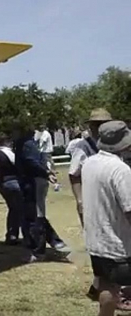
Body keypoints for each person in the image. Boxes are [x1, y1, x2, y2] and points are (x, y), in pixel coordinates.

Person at [81, 120, 131, 316]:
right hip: (119, 243)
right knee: (113, 286)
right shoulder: (121, 170)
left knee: (107, 285)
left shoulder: (89, 163)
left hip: (97, 240)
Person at [68, 109, 113, 301]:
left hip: (110, 200)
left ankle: (101, 285)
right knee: (97, 243)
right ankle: (99, 285)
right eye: (97, 124)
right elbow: (73, 174)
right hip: (92, 201)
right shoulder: (83, 147)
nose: (100, 128)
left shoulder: (112, 145)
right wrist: (80, 201)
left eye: (103, 124)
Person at [12, 124, 70, 262]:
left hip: (31, 183)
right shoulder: (28, 144)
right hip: (32, 181)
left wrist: (45, 173)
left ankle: (40, 250)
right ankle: (54, 241)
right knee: (35, 216)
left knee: (35, 217)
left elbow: (32, 162)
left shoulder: (25, 144)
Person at [0, 133, 22, 245]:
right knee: (18, 209)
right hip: (12, 181)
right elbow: (18, 164)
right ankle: (14, 234)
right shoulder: (8, 152)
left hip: (1, 182)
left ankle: (12, 234)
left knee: (13, 209)